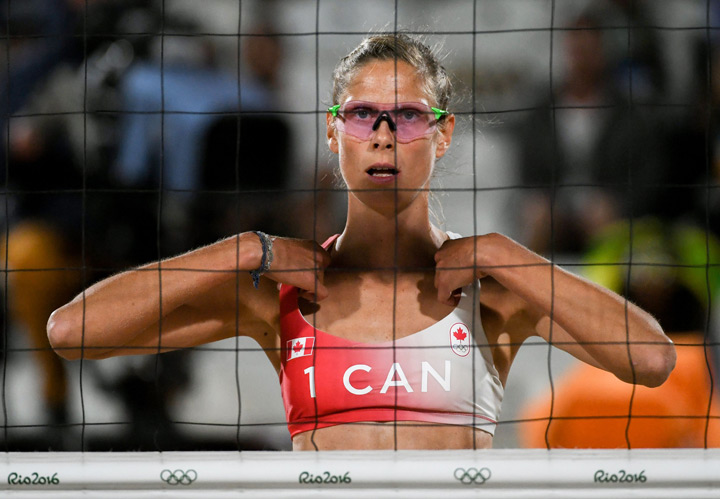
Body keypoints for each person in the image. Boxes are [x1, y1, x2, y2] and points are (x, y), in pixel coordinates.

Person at [46, 33, 676, 451]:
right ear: (332, 133)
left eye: (406, 116)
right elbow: (72, 333)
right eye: (360, 114)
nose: (381, 133)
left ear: (444, 133)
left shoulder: (495, 293)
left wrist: (504, 253)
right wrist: (243, 249)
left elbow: (651, 360)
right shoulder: (279, 297)